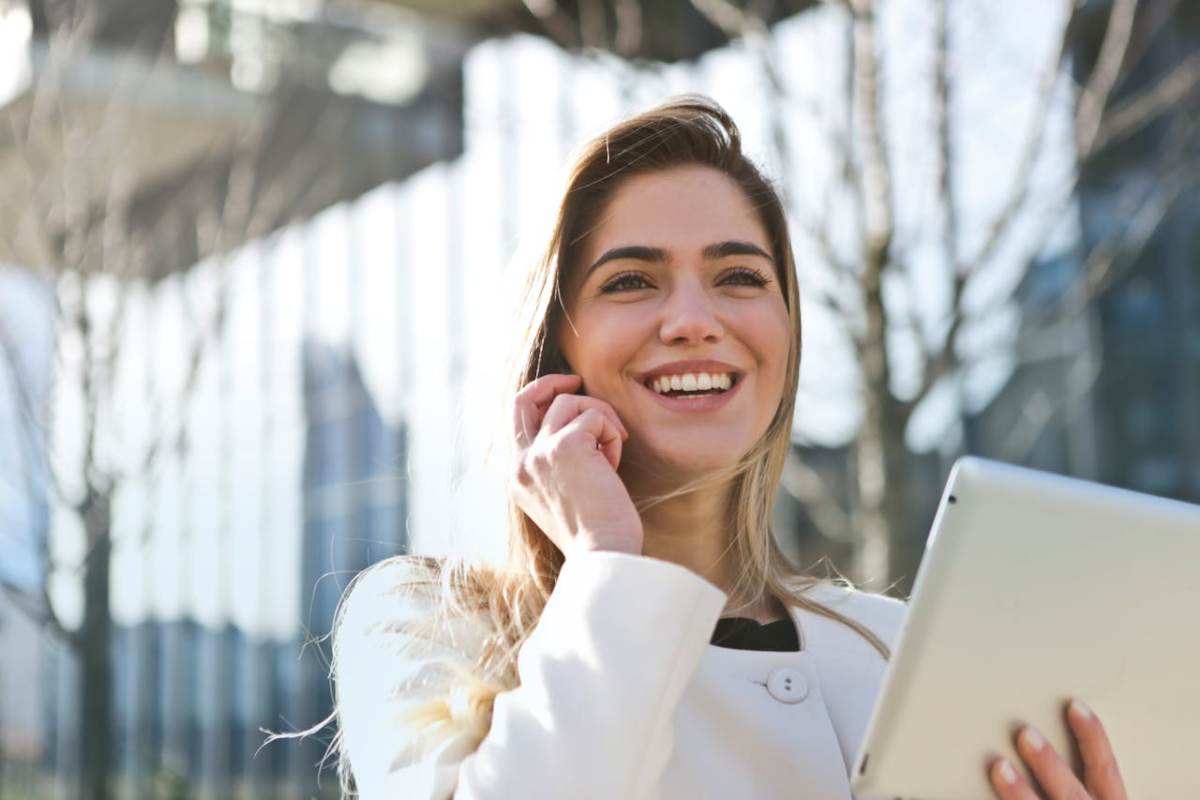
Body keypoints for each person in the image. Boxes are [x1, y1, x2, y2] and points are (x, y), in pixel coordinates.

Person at [330, 97, 1127, 799]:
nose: (693, 320)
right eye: (631, 281)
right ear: (554, 348)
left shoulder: (897, 648)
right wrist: (609, 561)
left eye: (740, 277)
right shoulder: (419, 624)